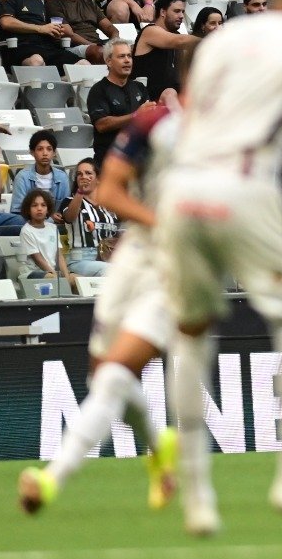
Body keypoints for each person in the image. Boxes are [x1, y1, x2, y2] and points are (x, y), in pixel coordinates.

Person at [157, 0, 282, 535]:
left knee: (191, 334)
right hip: (245, 182)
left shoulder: (220, 42)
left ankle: (198, 495)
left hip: (183, 189)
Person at [18, 102, 180, 515]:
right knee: (103, 377)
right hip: (130, 263)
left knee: (111, 377)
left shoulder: (228, 142)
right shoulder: (153, 123)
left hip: (170, 273)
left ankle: (51, 480)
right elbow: (108, 192)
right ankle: (159, 446)